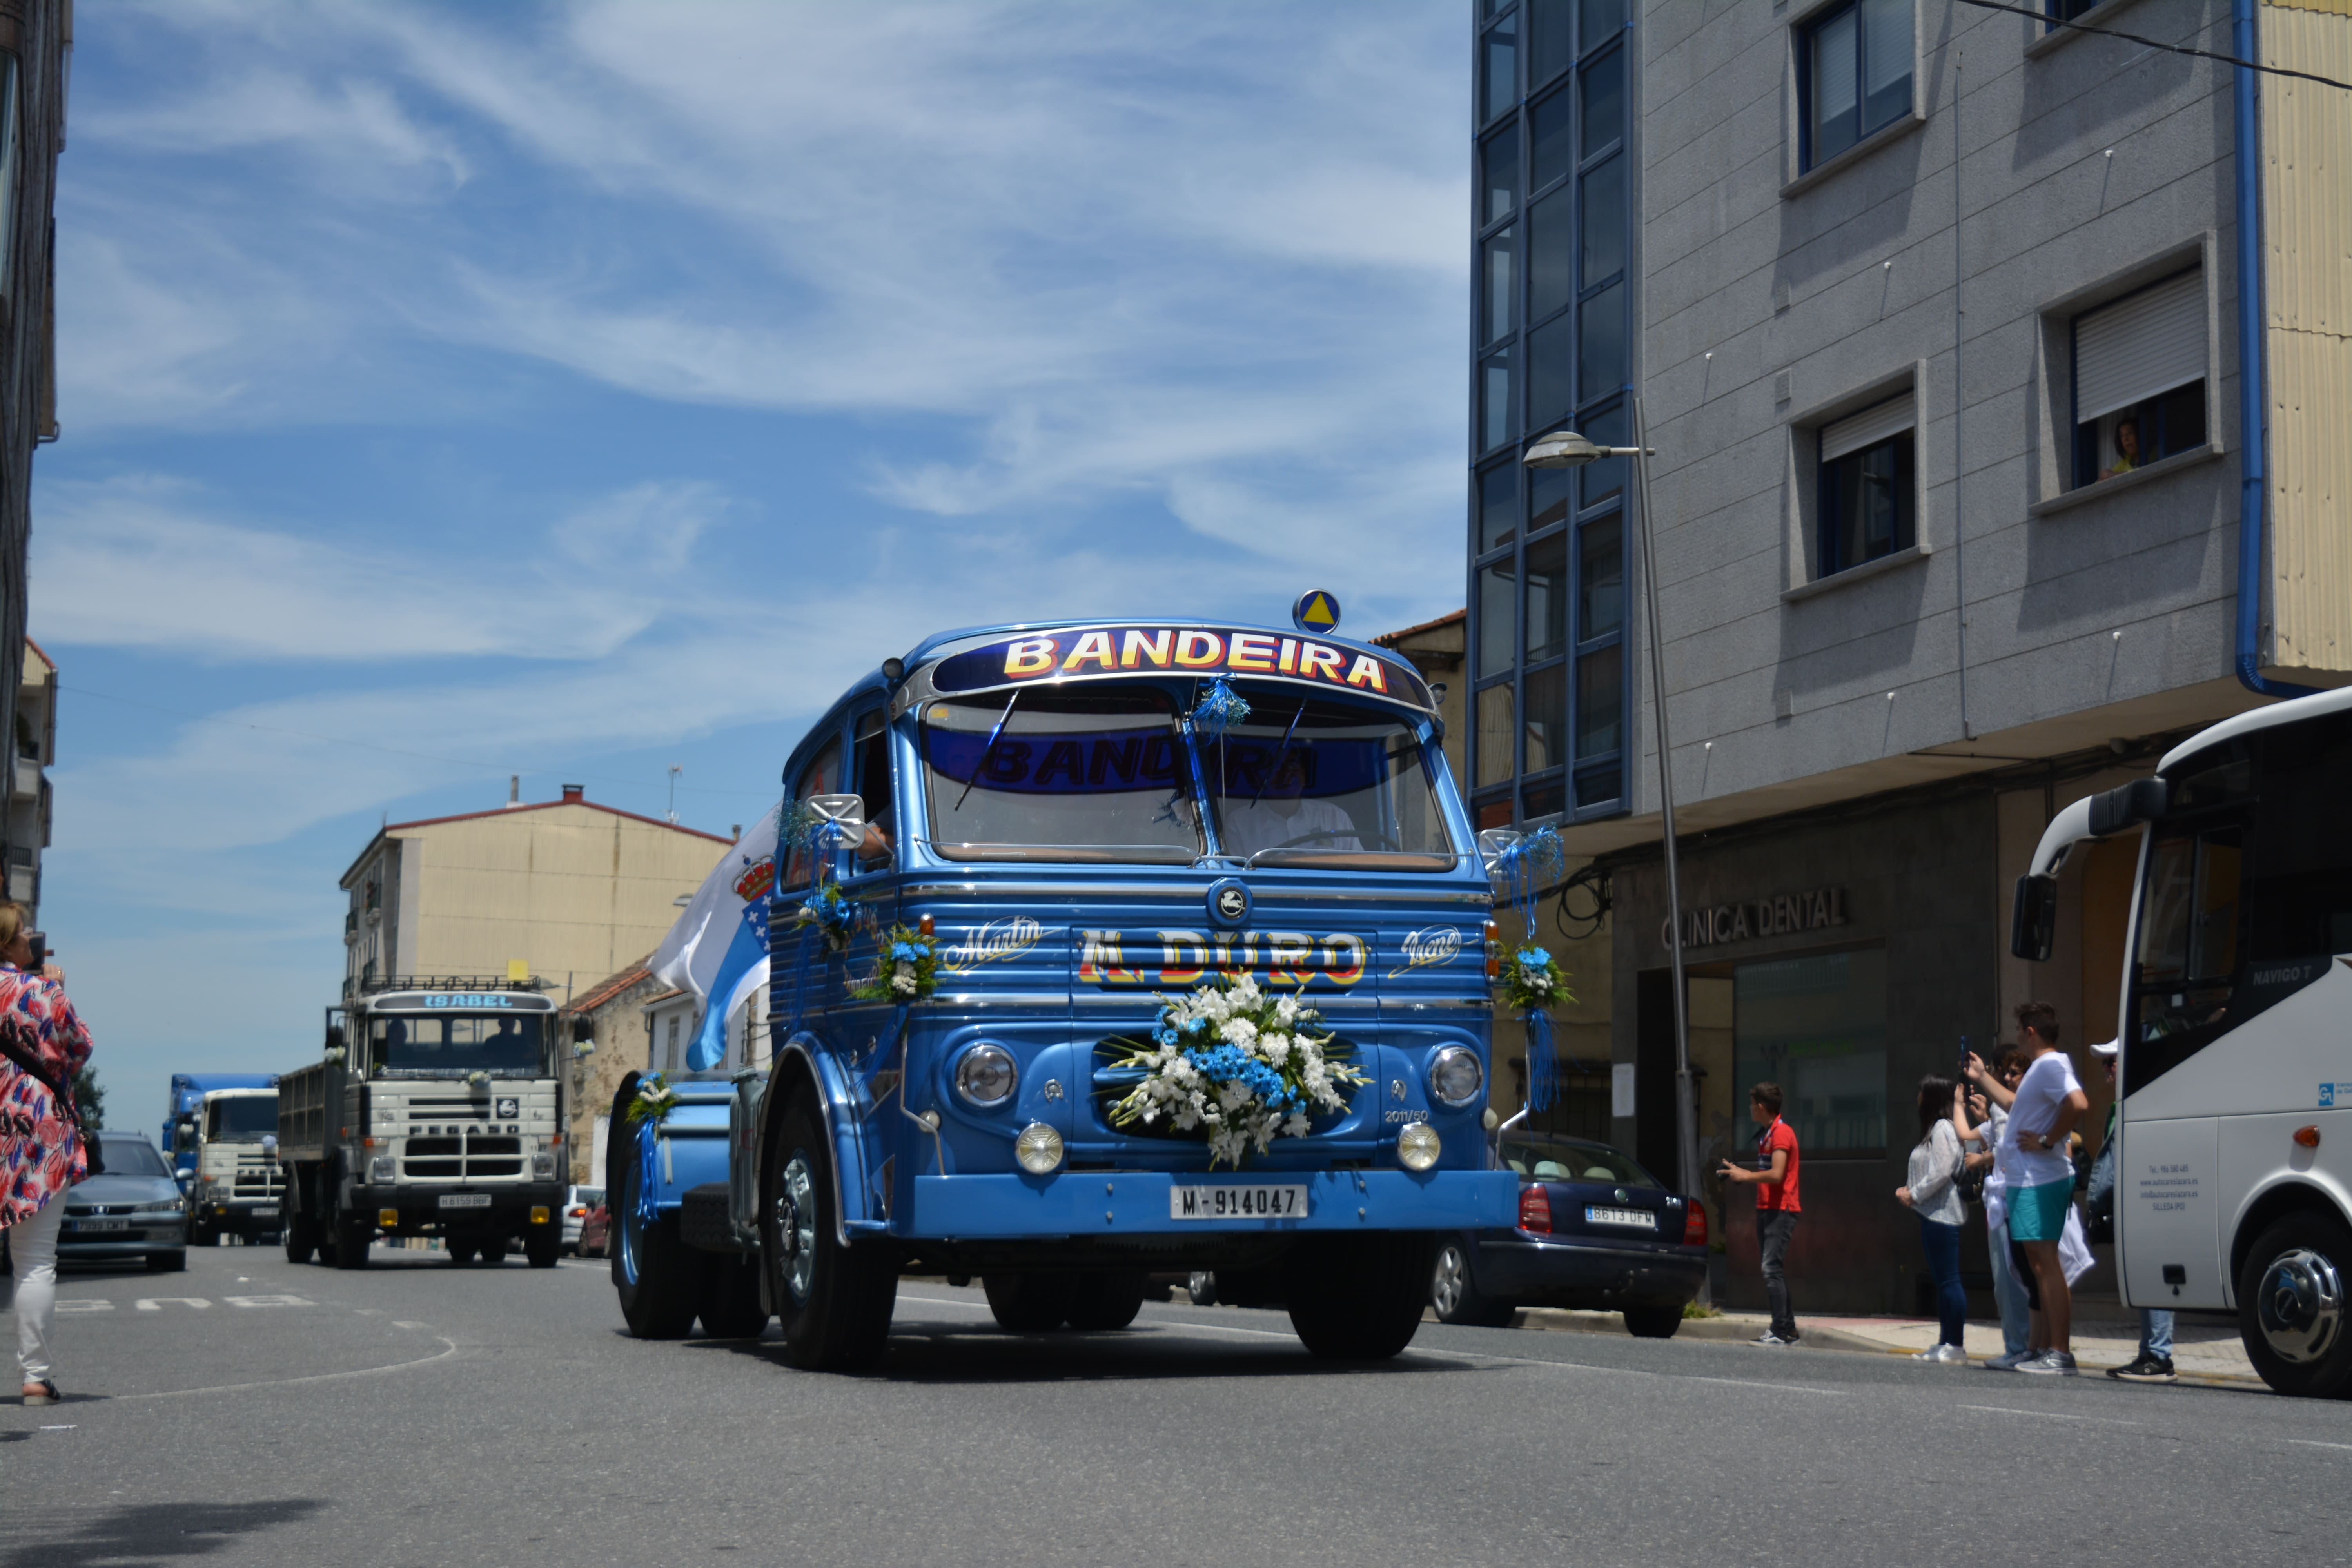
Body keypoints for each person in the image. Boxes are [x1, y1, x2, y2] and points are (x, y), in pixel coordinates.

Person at [0, 901, 93, 1408]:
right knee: (34, 1262)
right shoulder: (40, 991)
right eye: (25, 936)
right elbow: (78, 1049)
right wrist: (54, 989)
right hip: (36, 1135)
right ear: (12, 945)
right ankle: (35, 1377)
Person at [1970, 1001, 2089, 1376]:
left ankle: (2060, 1353)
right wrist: (1981, 1077)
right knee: (2039, 1266)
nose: (2018, 1037)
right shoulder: (2042, 1069)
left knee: (2046, 1265)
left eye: (2020, 1030)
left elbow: (2079, 1104)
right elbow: (2014, 1104)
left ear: (2031, 1032)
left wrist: (2048, 1139)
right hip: (2029, 1181)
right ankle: (2049, 1351)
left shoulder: (2051, 1064)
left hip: (2041, 1179)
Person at [2084, 1037, 2176, 1383]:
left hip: (2149, 1201)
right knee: (2144, 1279)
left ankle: (2159, 1356)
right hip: (2135, 1204)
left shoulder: (2146, 1103)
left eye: (2112, 1062)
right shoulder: (2123, 1106)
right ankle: (2150, 1353)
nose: (2106, 1070)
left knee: (2153, 1277)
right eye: (2105, 1063)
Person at [1960, 1050, 2036, 1370]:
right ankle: (2020, 1345)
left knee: (2017, 1277)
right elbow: (1971, 1138)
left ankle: (2025, 1345)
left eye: (2010, 1073)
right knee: (2009, 1278)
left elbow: (2008, 1149)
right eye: (2003, 1073)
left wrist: (1983, 1159)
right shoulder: (2003, 1111)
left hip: (2014, 1198)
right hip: (2005, 1198)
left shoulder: (2022, 1107)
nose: (2005, 1078)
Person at [1719, 1082, 1802, 1346]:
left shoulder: (1781, 1133)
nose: (1750, 1109)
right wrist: (1741, 1173)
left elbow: (1777, 1174)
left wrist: (1747, 1175)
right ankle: (1788, 1329)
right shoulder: (1768, 1133)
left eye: (1753, 1104)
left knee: (1770, 1269)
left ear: (1762, 1107)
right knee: (1773, 1268)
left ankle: (1779, 1330)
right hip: (1767, 1208)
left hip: (1782, 1209)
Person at [1897, 1074, 1970, 1364]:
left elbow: (1941, 1172)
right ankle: (1945, 1343)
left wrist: (1913, 1194)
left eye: (1921, 1094)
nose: (1917, 1099)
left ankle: (1956, 1345)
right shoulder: (1935, 1130)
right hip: (1931, 1214)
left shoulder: (1943, 1128)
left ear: (1932, 1099)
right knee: (1943, 1281)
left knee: (1950, 1280)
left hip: (1943, 1215)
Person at [1216, 753, 1360, 859]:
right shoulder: (1239, 823)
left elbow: (1359, 867)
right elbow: (1236, 877)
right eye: (1276, 768)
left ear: (1304, 775)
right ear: (1261, 778)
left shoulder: (1334, 816)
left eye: (1293, 766)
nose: (1286, 775)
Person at [2102, 415, 2142, 480]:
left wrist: (2115, 476)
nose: (2126, 439)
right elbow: (2103, 476)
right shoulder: (2126, 461)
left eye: (2130, 433)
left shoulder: (2154, 454)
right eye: (2122, 436)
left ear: (2139, 433)